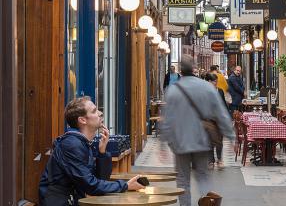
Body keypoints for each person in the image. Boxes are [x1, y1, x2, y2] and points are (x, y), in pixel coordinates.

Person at [38, 96, 144, 205]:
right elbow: (90, 185)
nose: (100, 113)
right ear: (82, 120)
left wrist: (102, 153)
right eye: (94, 111)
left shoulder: (83, 143)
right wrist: (125, 185)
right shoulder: (72, 145)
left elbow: (101, 179)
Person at [160, 56, 235, 206]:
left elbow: (167, 119)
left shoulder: (173, 90)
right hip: (201, 138)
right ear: (193, 68)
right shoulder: (206, 87)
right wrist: (231, 136)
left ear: (181, 70)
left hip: (180, 141)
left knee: (182, 179)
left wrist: (163, 143)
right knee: (202, 176)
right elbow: (221, 113)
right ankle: (208, 202)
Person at [204, 73, 226, 170]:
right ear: (208, 82)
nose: (216, 83)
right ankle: (210, 161)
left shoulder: (220, 91)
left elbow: (224, 105)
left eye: (216, 81)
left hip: (220, 120)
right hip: (209, 120)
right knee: (209, 141)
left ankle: (220, 159)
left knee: (219, 141)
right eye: (214, 81)